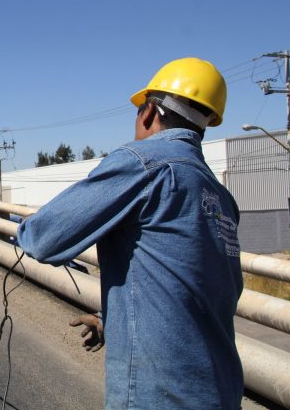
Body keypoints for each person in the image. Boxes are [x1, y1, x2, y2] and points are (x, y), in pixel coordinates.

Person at [17, 58, 243, 409]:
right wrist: (114, 318)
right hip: (220, 391)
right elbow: (194, 280)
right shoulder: (219, 196)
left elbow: (44, 239)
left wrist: (24, 230)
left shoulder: (144, 163)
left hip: (161, 397)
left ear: (150, 112)